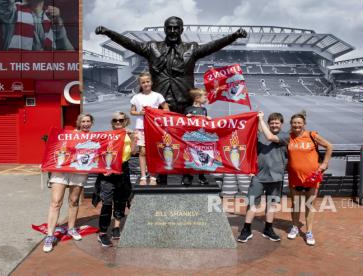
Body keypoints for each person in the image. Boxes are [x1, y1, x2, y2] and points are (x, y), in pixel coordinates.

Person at [96, 16, 247, 114]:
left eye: (176, 28)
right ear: (165, 29)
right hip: (159, 105)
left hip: (185, 103)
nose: (173, 31)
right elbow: (129, 43)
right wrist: (109, 33)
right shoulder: (152, 47)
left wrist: (233, 36)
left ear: (181, 30)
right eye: (169, 27)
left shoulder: (191, 48)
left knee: (184, 141)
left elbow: (213, 45)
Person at [258, 110, 333, 246]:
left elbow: (329, 146)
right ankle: (294, 226)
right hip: (295, 177)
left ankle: (309, 231)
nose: (296, 125)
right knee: (296, 204)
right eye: (294, 123)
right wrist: (260, 119)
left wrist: (325, 164)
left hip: (312, 177)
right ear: (291, 124)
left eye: (299, 123)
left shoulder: (312, 135)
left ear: (304, 124)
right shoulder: (289, 137)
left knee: (309, 204)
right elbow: (270, 137)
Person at [42, 113, 94, 253]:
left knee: (73, 201)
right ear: (78, 123)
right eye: (83, 121)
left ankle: (71, 228)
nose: (86, 123)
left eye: (88, 121)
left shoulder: (93, 137)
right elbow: (55, 147)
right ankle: (50, 235)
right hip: (62, 170)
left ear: (91, 123)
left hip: (79, 171)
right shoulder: (67, 134)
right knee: (56, 202)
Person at [237, 112, 288, 243]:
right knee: (252, 203)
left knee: (271, 205)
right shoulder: (260, 135)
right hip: (258, 176)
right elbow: (247, 148)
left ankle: (268, 229)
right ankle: (246, 229)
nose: (274, 125)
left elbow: (270, 137)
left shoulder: (285, 135)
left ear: (281, 124)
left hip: (276, 176)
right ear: (269, 123)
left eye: (277, 122)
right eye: (272, 122)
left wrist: (260, 119)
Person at [96, 111, 133, 247]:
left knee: (121, 199)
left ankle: (116, 227)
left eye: (121, 120)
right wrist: (102, 168)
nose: (118, 122)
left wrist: (132, 137)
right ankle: (103, 233)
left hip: (123, 168)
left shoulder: (129, 134)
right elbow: (99, 152)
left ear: (125, 121)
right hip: (109, 169)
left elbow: (133, 152)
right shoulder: (106, 135)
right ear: (112, 122)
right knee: (106, 201)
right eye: (115, 120)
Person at [130, 72, 169, 185]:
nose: (146, 84)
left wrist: (155, 112)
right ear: (140, 84)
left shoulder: (158, 96)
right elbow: (132, 111)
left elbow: (166, 109)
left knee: (154, 152)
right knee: (142, 152)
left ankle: (153, 177)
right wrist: (140, 112)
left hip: (154, 127)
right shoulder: (136, 97)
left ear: (151, 82)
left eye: (147, 81)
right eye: (143, 82)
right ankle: (143, 176)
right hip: (141, 127)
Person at [0, 0, 74, 50]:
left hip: (45, 73)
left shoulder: (52, 17)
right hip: (17, 72)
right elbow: (1, 2)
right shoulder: (13, 12)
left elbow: (70, 54)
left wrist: (59, 26)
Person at [182, 88, 212, 185]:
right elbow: (182, 122)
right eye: (204, 96)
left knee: (202, 156)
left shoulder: (204, 110)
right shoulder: (188, 109)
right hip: (190, 138)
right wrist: (187, 117)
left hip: (201, 137)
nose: (206, 98)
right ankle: (187, 176)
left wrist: (208, 119)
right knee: (190, 156)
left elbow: (205, 124)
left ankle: (201, 176)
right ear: (197, 98)